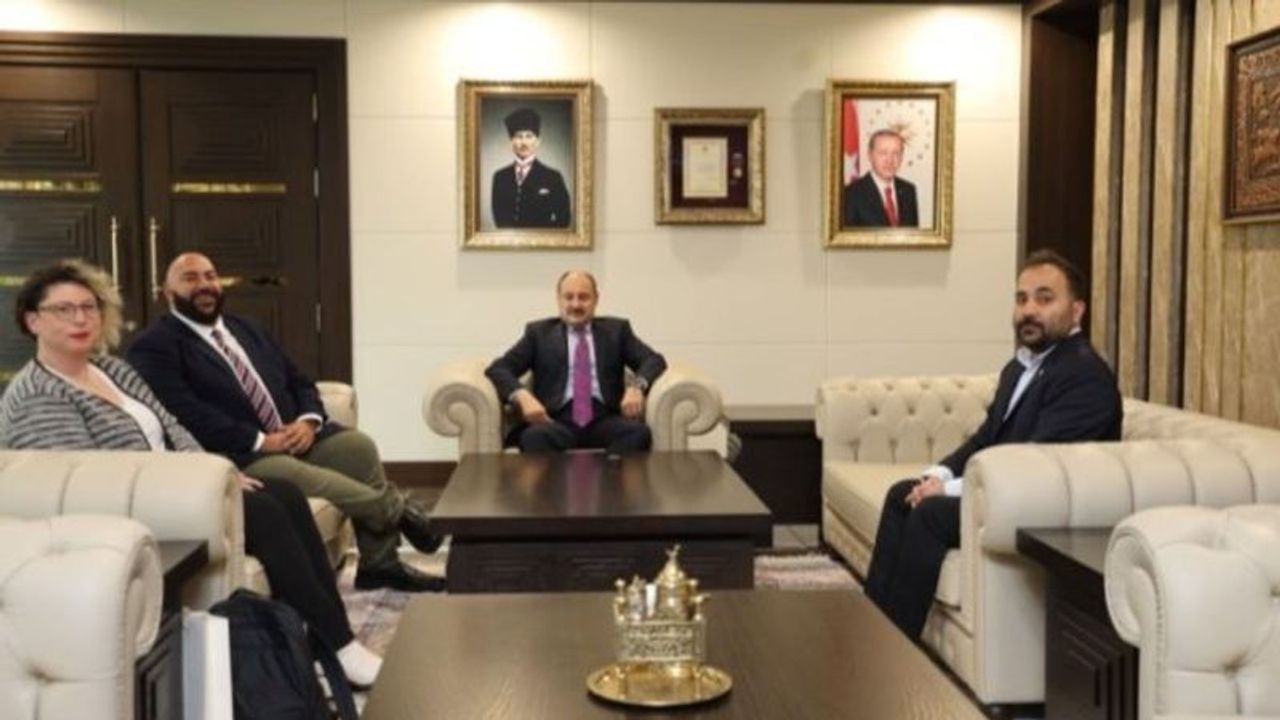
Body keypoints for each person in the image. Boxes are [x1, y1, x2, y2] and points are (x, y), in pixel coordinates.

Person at [0, 260, 385, 687]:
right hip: (127, 506)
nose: (80, 319)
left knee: (285, 495)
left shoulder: (111, 369)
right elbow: (84, 481)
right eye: (63, 309)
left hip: (177, 488)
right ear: (32, 320)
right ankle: (339, 647)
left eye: (89, 307)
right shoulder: (39, 394)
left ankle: (326, 641)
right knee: (265, 514)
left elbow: (171, 426)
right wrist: (196, 487)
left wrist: (215, 476)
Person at [127, 252, 443, 593]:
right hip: (242, 455)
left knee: (357, 447)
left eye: (210, 276)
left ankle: (380, 565)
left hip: (296, 438)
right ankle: (400, 512)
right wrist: (261, 441)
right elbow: (186, 414)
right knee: (303, 476)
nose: (204, 285)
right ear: (168, 293)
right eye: (190, 278)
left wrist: (307, 423)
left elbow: (300, 381)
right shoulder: (154, 346)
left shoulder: (248, 329)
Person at [863, 249, 1122, 639]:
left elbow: (1035, 464)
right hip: (1007, 492)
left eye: (1045, 299)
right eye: (1021, 299)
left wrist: (947, 492)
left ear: (1077, 310)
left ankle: (899, 644)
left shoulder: (1084, 375)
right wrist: (937, 476)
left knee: (931, 514)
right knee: (904, 495)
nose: (1029, 310)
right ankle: (874, 632)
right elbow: (987, 438)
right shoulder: (1019, 367)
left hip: (1043, 507)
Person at [485, 270, 666, 454]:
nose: (576, 304)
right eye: (569, 297)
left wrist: (636, 386)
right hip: (555, 420)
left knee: (638, 434)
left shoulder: (617, 331)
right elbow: (499, 369)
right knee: (533, 437)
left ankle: (607, 472)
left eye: (584, 297)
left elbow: (653, 360)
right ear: (559, 299)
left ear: (596, 299)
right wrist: (522, 396)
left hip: (604, 419)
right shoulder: (538, 334)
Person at [491, 107, 572, 228]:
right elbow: (499, 219)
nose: (524, 142)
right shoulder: (500, 177)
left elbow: (564, 219)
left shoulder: (553, 177)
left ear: (538, 141)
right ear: (511, 142)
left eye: (529, 136)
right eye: (519, 136)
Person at [843, 129, 920, 228]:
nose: (890, 160)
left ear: (902, 157)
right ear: (870, 155)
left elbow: (913, 235)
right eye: (883, 153)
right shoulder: (851, 195)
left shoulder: (908, 190)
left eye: (896, 153)